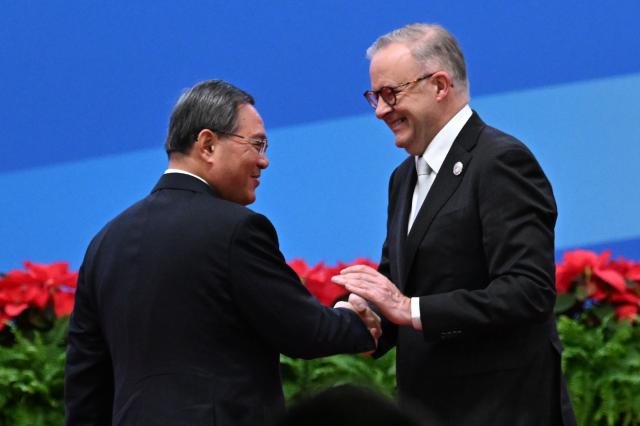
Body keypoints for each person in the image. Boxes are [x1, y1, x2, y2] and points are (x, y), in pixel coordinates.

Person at [64, 80, 381, 426]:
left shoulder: (104, 243)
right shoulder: (236, 229)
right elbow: (303, 331)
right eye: (257, 145)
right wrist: (358, 321)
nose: (264, 161)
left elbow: (85, 384)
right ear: (208, 144)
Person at [331, 23, 576, 425]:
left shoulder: (500, 161)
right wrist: (364, 316)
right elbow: (400, 284)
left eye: (391, 94)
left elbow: (528, 291)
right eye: (374, 97)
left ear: (440, 85)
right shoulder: (403, 178)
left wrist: (410, 309)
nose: (379, 111)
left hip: (501, 411)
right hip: (427, 410)